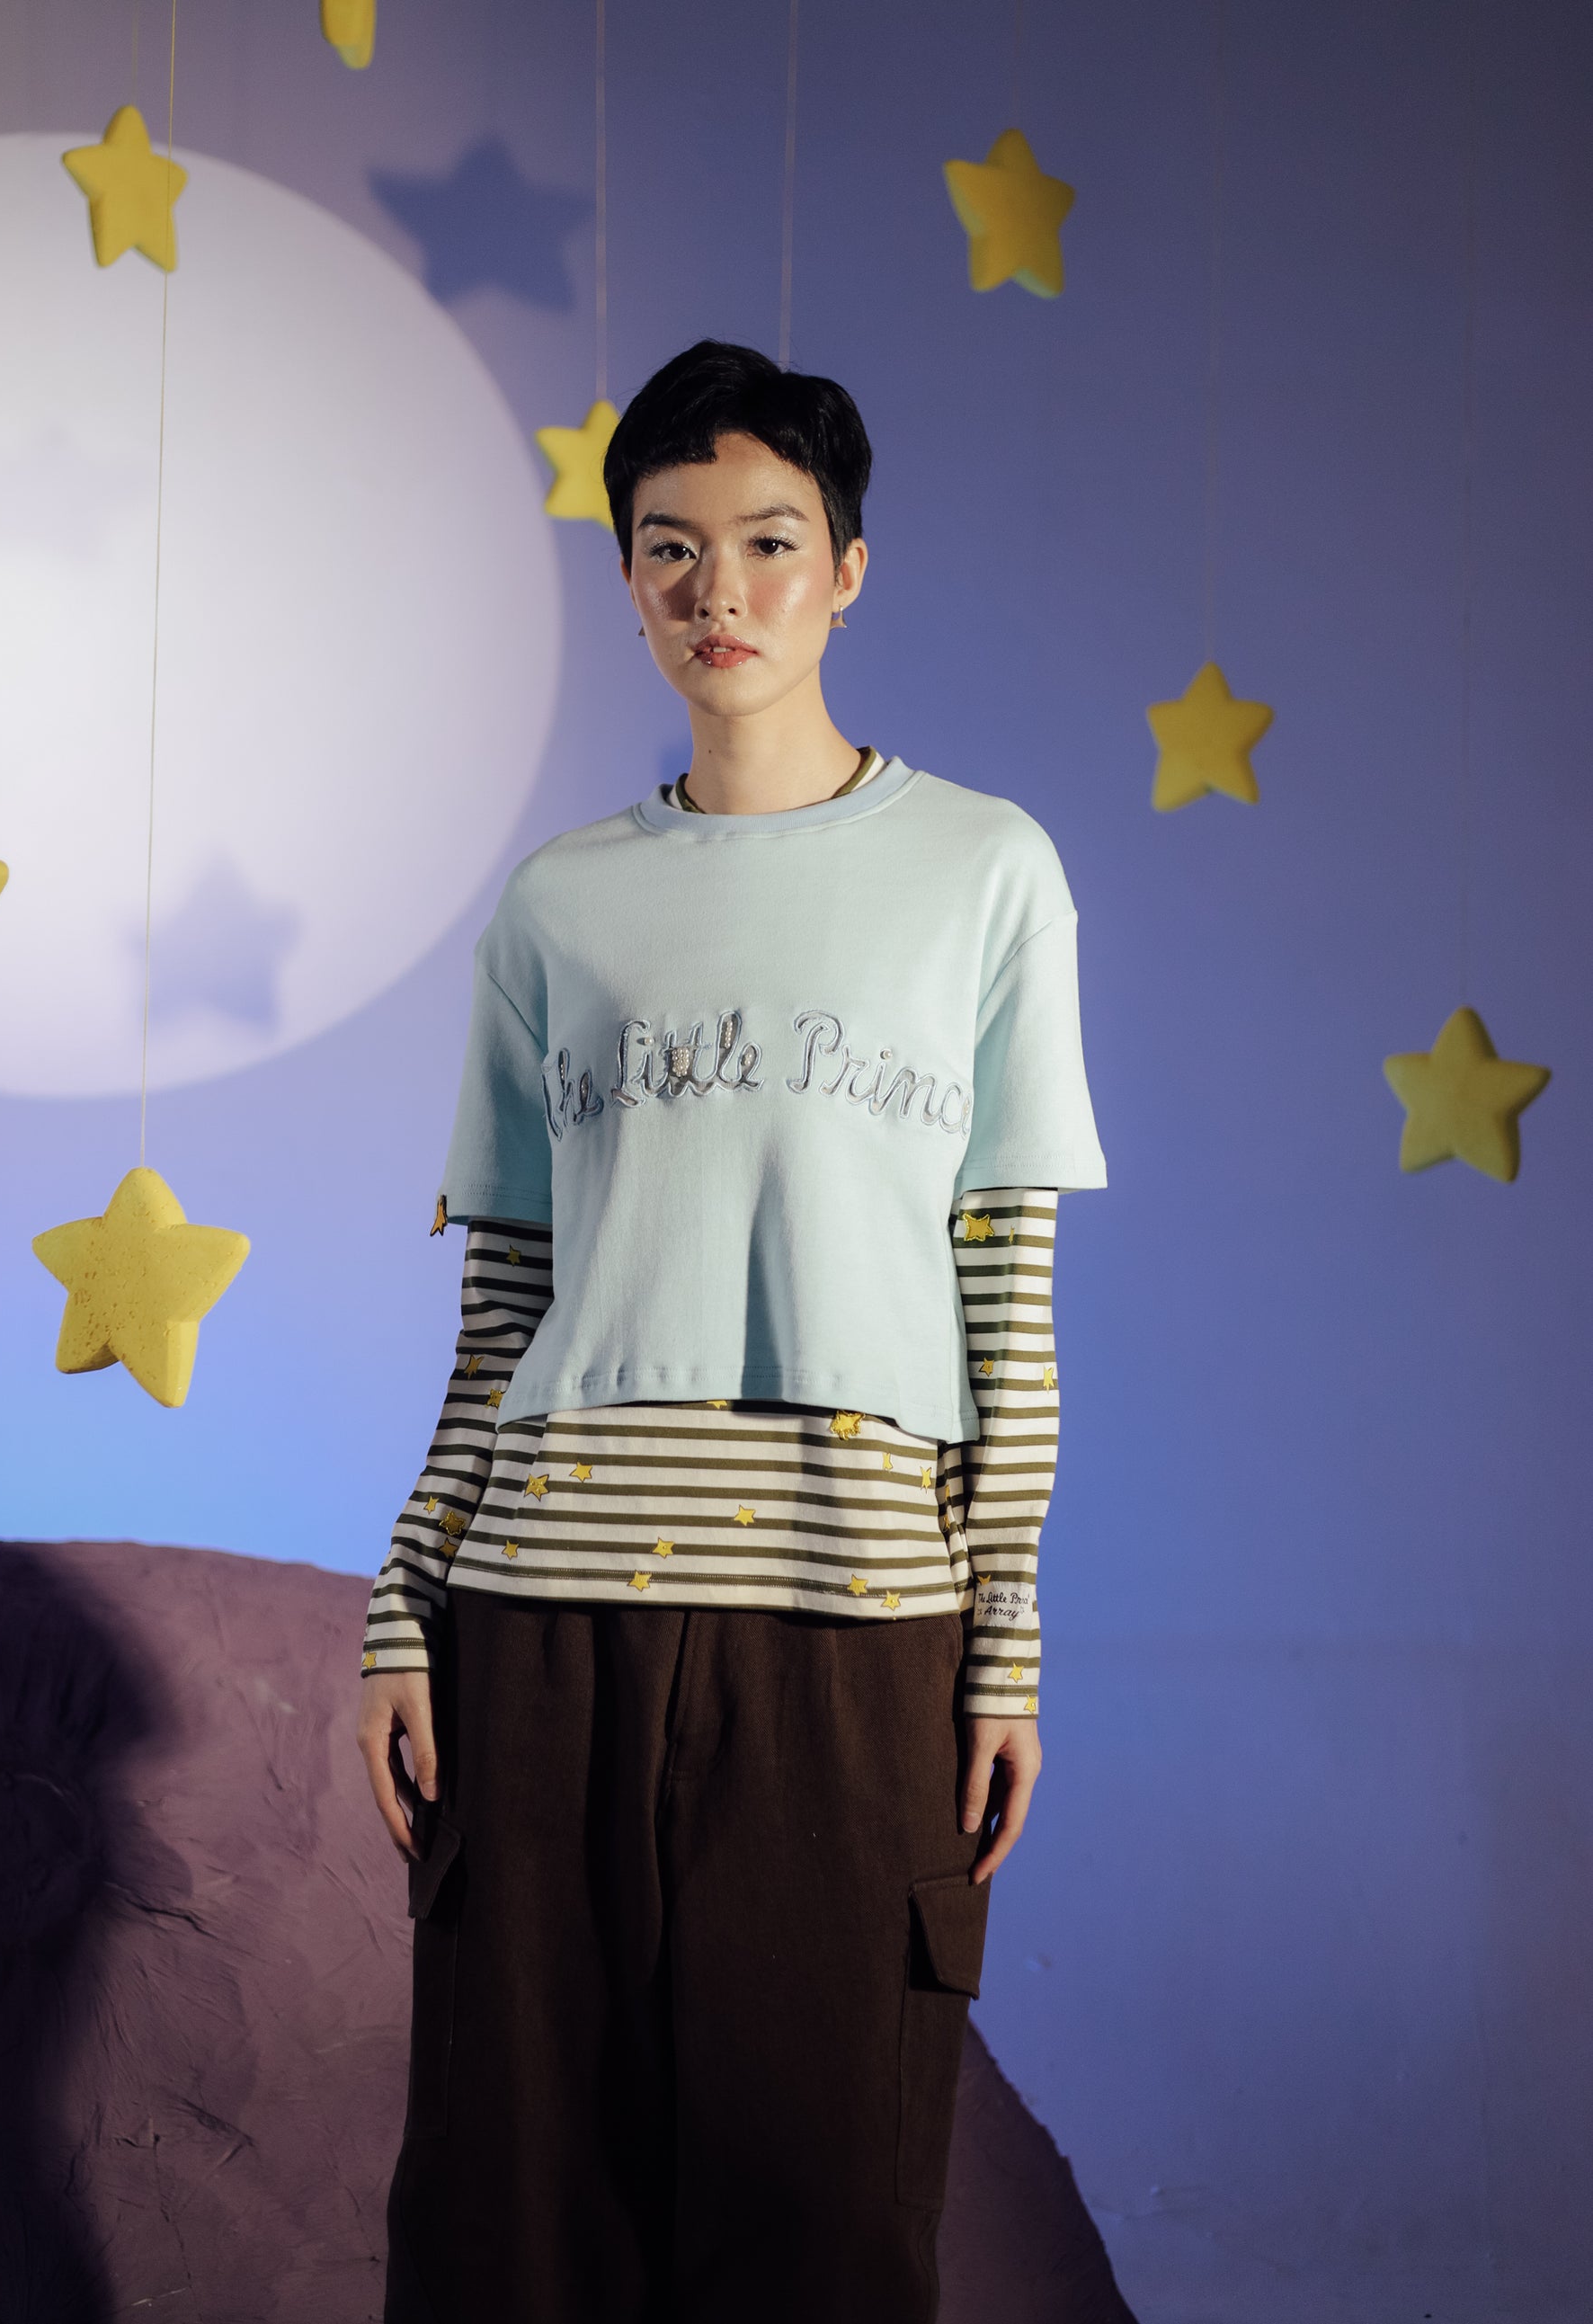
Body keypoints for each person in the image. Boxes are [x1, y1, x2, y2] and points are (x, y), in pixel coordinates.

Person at [356, 338, 1107, 2324]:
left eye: (769, 541)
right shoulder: (558, 905)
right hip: (541, 1625)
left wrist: (1005, 1635)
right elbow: (503, 1313)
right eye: (670, 547)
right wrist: (402, 1605)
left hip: (853, 1628)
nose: (720, 590)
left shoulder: (986, 873)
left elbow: (1007, 1295)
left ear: (847, 568)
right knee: (512, 2221)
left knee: (824, 2225)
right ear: (626, 579)